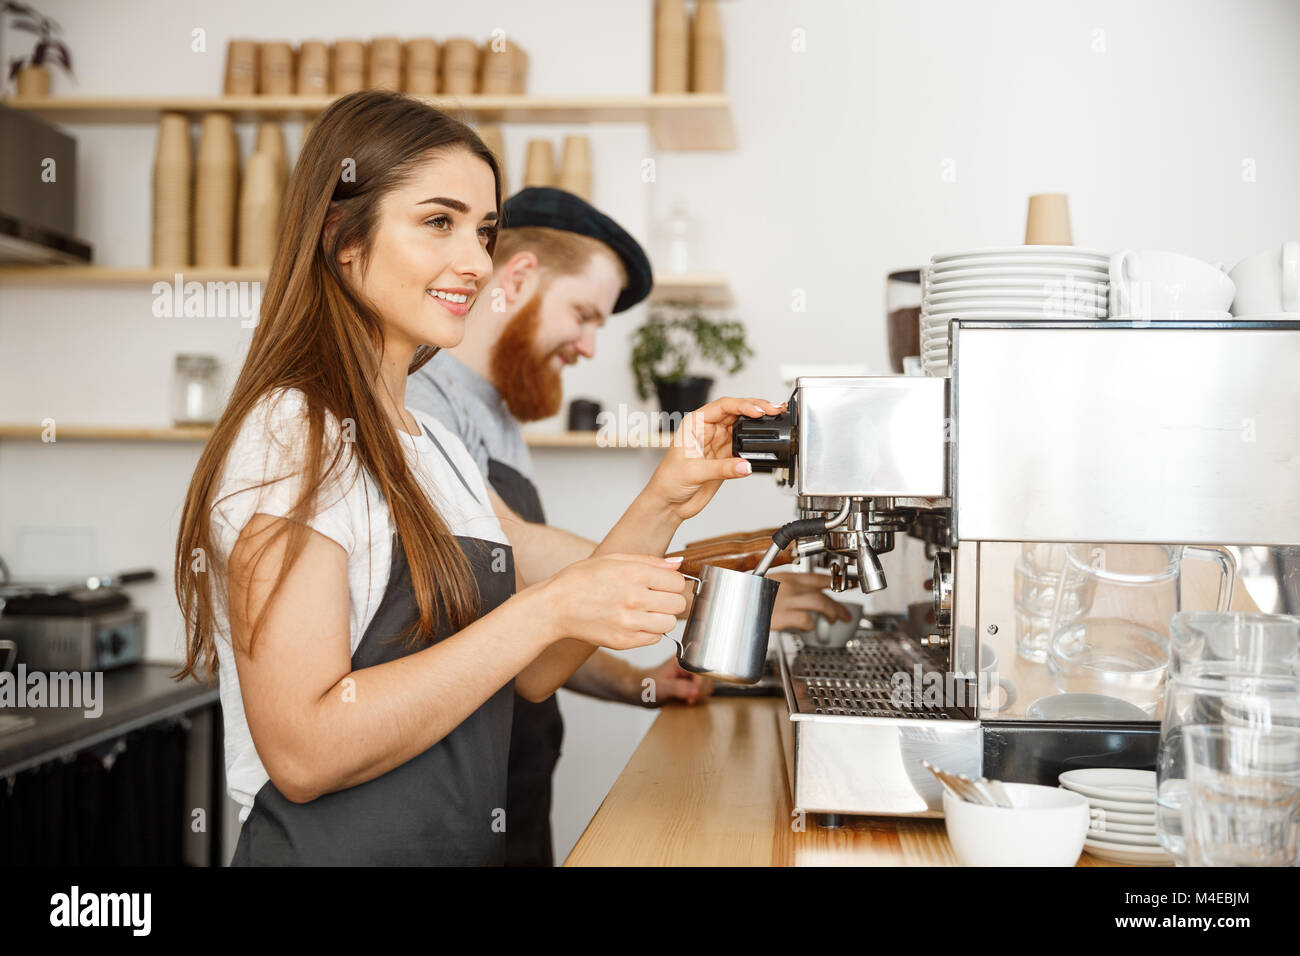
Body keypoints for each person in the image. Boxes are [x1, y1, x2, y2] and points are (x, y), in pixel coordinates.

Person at [172, 90, 787, 866]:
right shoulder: (296, 433)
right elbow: (304, 752)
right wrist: (550, 606)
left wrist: (665, 496)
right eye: (439, 222)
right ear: (341, 235)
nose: (475, 261)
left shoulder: (433, 446)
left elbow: (532, 672)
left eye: (484, 232)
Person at [406, 186, 853, 866]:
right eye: (583, 314)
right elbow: (518, 556)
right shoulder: (420, 401)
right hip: (440, 789)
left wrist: (630, 680)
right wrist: (714, 589)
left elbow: (523, 616)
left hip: (513, 770)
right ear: (519, 276)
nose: (587, 346)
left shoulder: (496, 413)